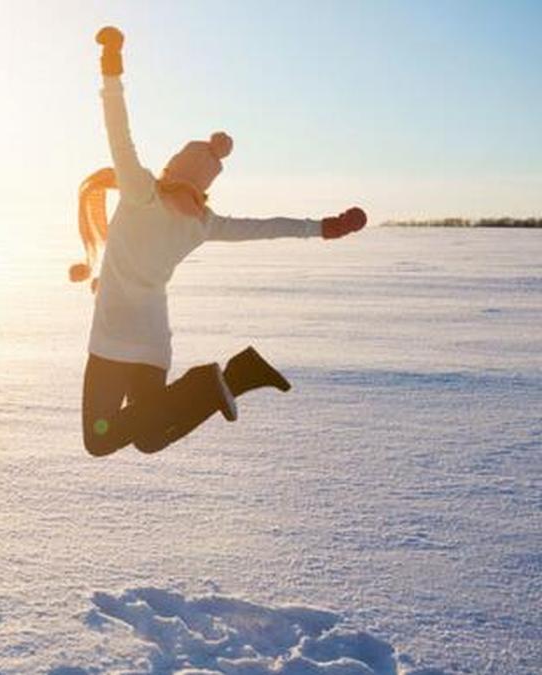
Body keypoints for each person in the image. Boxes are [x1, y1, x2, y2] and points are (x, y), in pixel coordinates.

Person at [72, 26, 366, 457]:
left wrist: (111, 65)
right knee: (151, 435)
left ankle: (206, 384)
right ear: (204, 185)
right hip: (152, 344)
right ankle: (234, 377)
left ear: (173, 167)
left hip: (111, 341)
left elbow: (118, 129)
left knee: (100, 440)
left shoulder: (140, 192)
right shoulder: (202, 223)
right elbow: (264, 227)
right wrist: (322, 227)